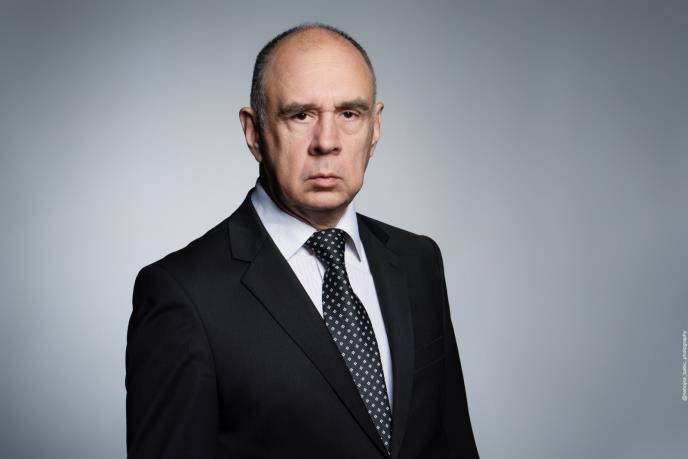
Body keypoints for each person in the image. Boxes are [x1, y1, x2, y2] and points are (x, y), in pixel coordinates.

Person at [126, 23, 479, 459]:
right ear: (254, 131)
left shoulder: (418, 260)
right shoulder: (183, 294)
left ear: (375, 128)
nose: (327, 142)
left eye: (349, 114)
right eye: (300, 115)